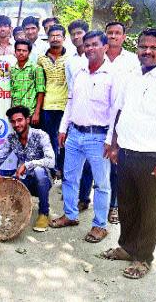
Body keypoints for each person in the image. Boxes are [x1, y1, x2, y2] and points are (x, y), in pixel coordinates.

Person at [101, 28, 156, 279]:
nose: (147, 51)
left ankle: (143, 258)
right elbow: (120, 111)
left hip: (153, 156)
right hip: (126, 153)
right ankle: (127, 246)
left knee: (151, 210)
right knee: (128, 205)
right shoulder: (132, 75)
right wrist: (114, 144)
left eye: (154, 47)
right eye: (143, 46)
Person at [52, 31, 119, 244]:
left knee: (101, 184)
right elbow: (70, 101)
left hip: (98, 137)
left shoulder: (113, 75)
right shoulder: (79, 71)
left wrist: (111, 141)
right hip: (74, 134)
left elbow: (116, 110)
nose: (90, 48)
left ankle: (100, 225)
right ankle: (70, 215)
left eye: (95, 44)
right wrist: (64, 128)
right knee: (70, 178)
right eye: (87, 45)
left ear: (105, 47)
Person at [0, 106, 54, 232]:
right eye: (13, 121)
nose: (16, 124)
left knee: (39, 170)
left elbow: (51, 161)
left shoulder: (41, 135)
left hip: (43, 182)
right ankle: (20, 206)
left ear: (28, 120)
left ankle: (44, 213)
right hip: (23, 180)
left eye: (20, 120)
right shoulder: (11, 138)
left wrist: (27, 164)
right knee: (5, 181)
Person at [104, 21, 141, 224]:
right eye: (110, 33)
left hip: (120, 119)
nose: (113, 36)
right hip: (97, 118)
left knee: (116, 165)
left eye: (118, 33)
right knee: (93, 166)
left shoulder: (133, 61)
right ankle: (84, 200)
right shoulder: (95, 56)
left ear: (124, 37)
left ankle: (115, 206)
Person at [64, 19, 93, 212]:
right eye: (73, 34)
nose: (76, 36)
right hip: (76, 115)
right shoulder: (71, 60)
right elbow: (71, 91)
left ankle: (84, 197)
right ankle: (71, 204)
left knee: (90, 164)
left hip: (95, 118)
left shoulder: (97, 56)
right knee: (72, 165)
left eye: (80, 32)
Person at [37, 24, 69, 179]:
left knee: (64, 139)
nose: (55, 38)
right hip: (47, 105)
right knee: (49, 139)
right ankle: (52, 169)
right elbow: (39, 84)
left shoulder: (71, 58)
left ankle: (62, 168)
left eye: (58, 35)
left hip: (65, 105)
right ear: (47, 38)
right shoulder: (41, 59)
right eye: (52, 36)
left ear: (64, 38)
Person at [10, 40, 45, 127]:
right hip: (16, 114)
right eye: (18, 50)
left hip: (31, 113)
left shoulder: (36, 68)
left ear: (29, 52)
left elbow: (40, 91)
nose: (21, 53)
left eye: (24, 51)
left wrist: (37, 113)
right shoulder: (12, 69)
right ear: (15, 52)